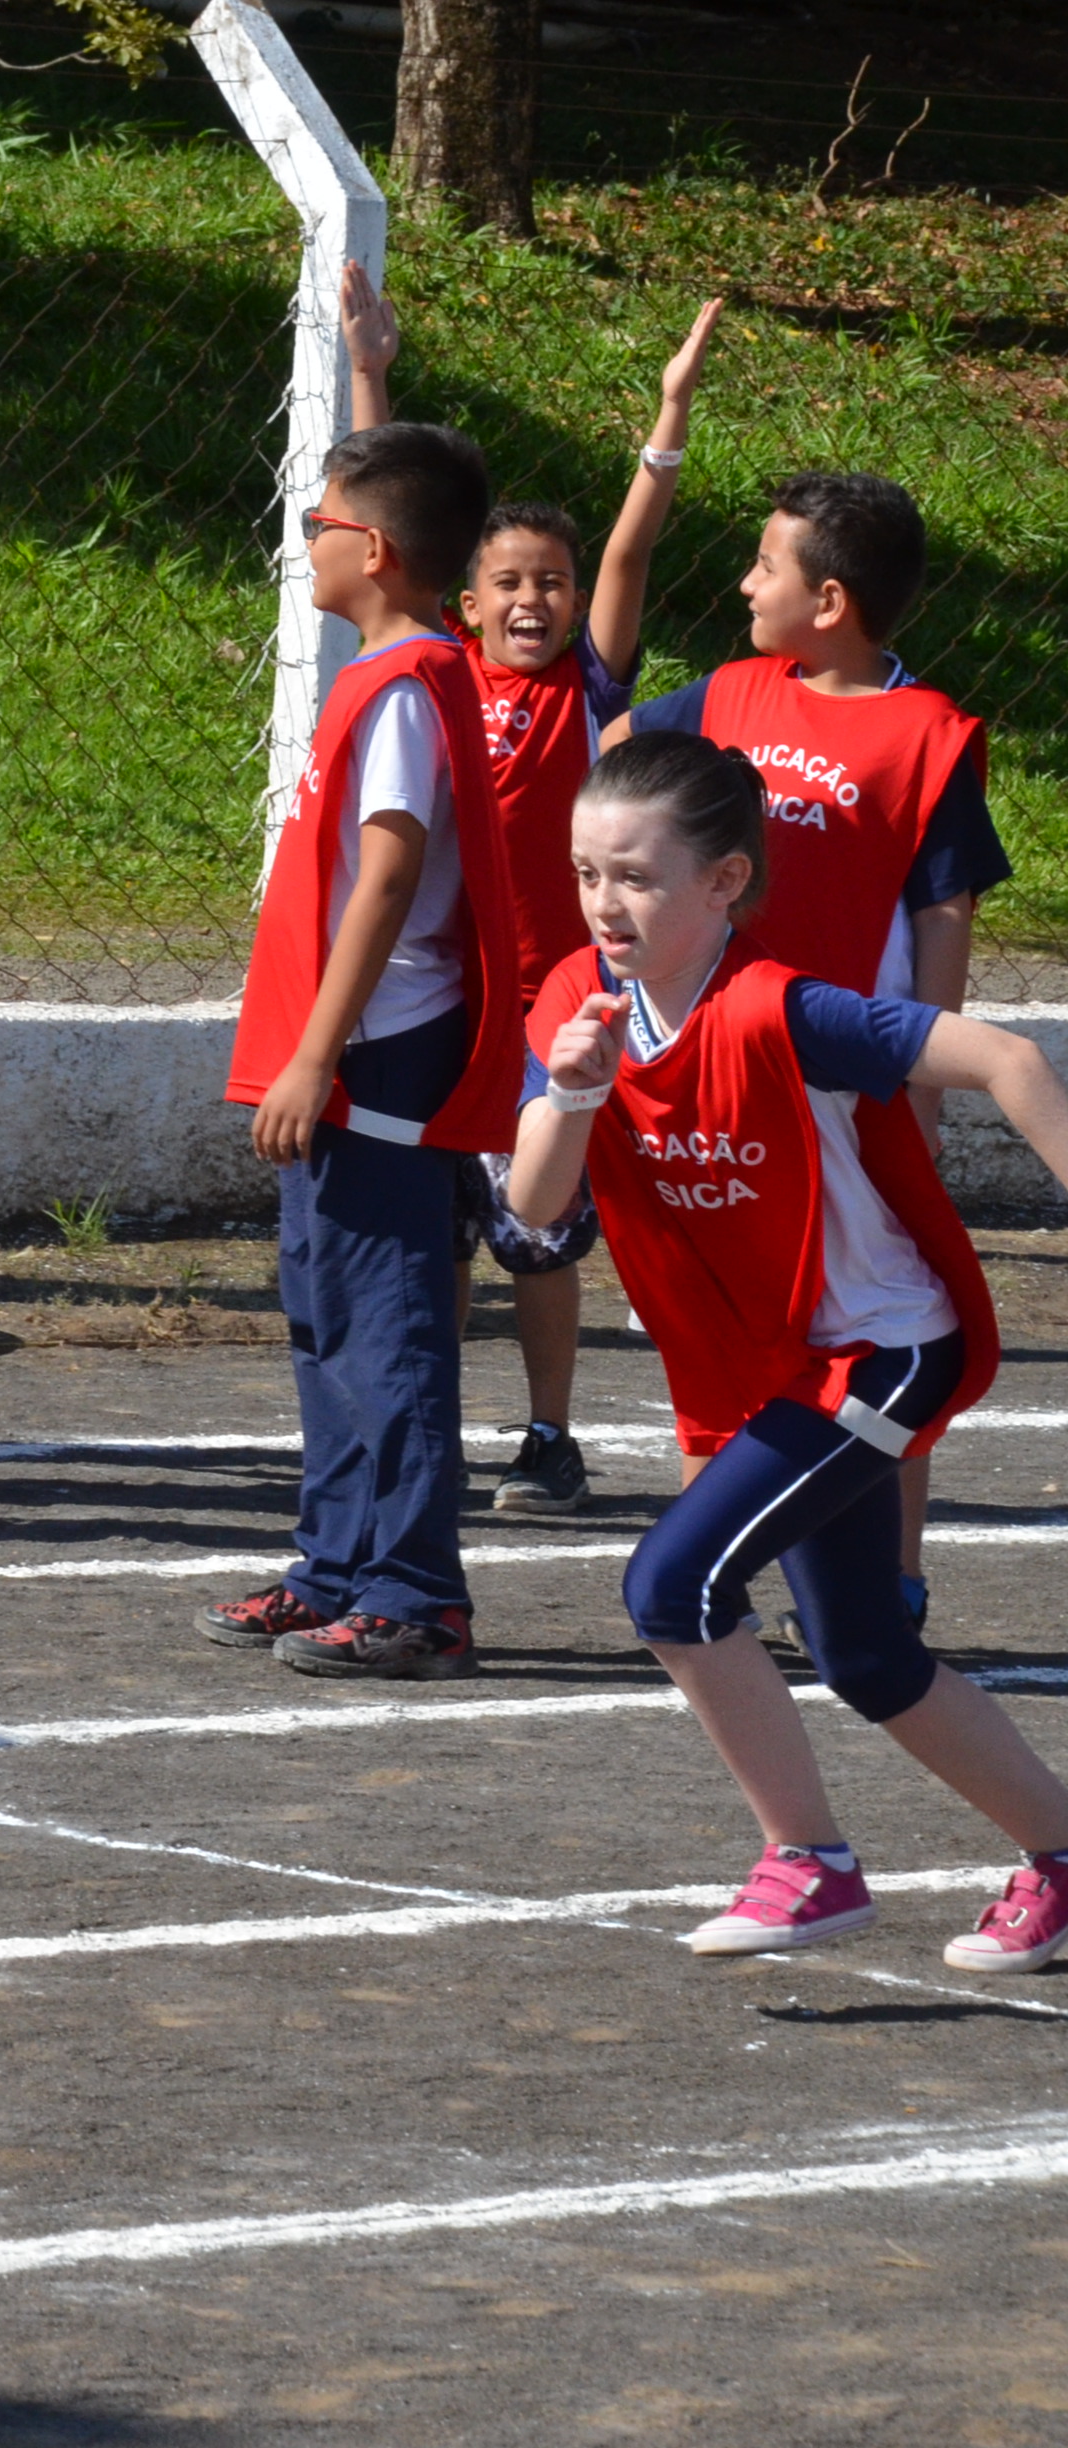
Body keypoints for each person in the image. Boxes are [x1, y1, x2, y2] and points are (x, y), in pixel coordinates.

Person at [508, 730, 1068, 1974]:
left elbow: (1011, 1060)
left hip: (880, 1352)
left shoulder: (790, 1010)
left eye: (637, 878)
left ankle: (808, 1863)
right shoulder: (574, 1007)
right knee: (867, 1656)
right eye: (587, 874)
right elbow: (537, 1209)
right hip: (777, 1368)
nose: (605, 903)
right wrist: (576, 1093)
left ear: (725, 884)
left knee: (673, 1589)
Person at [342, 267, 721, 1516]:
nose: (533, 600)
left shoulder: (589, 691)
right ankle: (427, 1423)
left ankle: (549, 1435)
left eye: (550, 583)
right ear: (465, 597)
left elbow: (630, 547)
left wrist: (667, 422)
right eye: (508, 582)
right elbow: (383, 521)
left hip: (549, 1007)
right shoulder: (434, 671)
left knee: (537, 1238)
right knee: (438, 1230)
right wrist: (370, 372)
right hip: (451, 1006)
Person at [605, 471, 1003, 1643]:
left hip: (840, 1076)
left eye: (764, 566)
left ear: (828, 599)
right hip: (724, 1062)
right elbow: (620, 752)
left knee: (882, 1314)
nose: (744, 582)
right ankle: (709, 1575)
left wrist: (924, 1078)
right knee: (724, 1305)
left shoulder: (927, 734)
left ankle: (896, 1576)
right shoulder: (726, 695)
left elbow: (945, 913)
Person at [204, 423, 521, 1682]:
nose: (308, 540)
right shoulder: (395, 671)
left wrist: (311, 1054)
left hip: (379, 1054)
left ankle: (415, 1593)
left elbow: (386, 878)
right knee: (326, 1314)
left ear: (375, 551)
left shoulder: (403, 685)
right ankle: (335, 1566)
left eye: (323, 523)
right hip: (354, 1053)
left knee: (385, 1325)